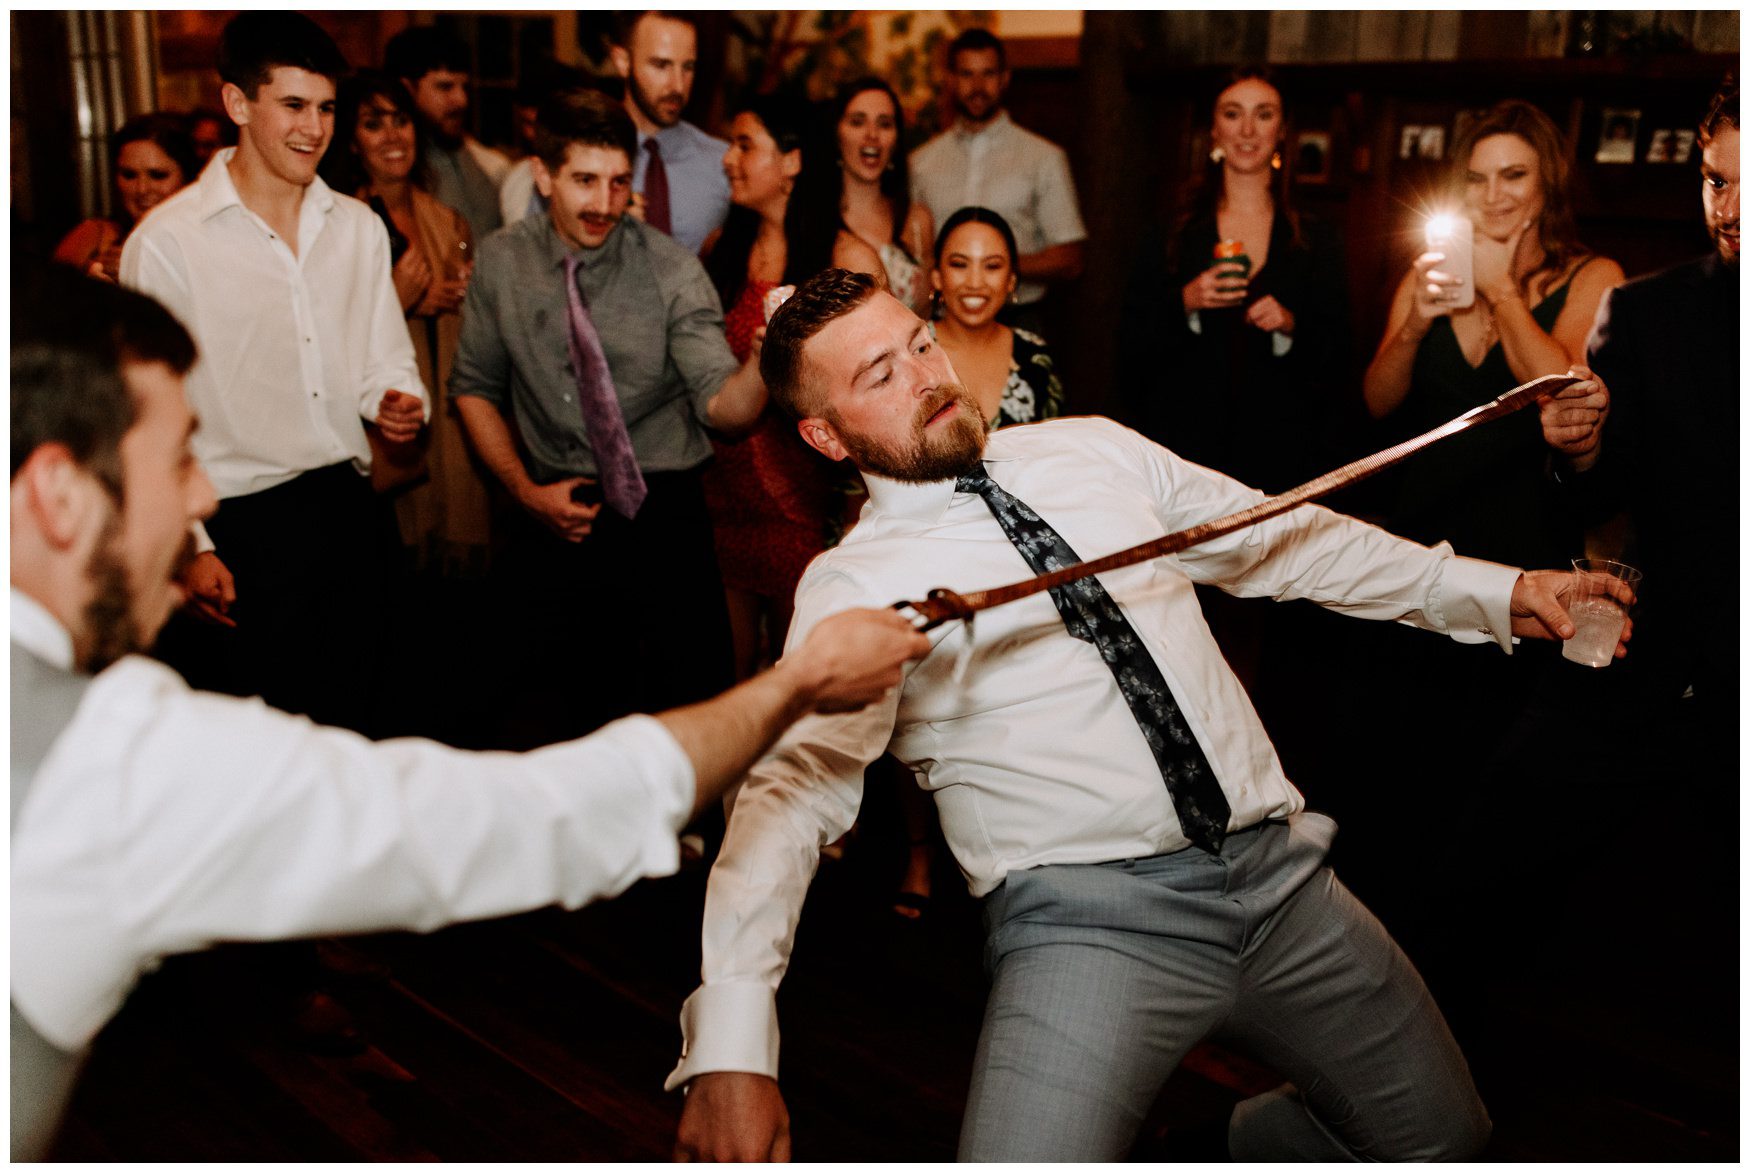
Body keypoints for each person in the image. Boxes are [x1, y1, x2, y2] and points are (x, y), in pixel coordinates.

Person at [667, 268, 1623, 1162]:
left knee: (1447, 1141)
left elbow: (1287, 539)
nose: (928, 376)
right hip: (1087, 927)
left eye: (920, 344)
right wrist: (733, 1041)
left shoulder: (1092, 446)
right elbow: (788, 797)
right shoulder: (851, 587)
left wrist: (1496, 593)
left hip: (1284, 883)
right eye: (881, 372)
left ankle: (1249, 1143)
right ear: (826, 437)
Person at [8, 262, 931, 1162]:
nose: (203, 495)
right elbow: (529, 820)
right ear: (56, 492)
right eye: (178, 461)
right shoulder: (105, 762)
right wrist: (792, 684)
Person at [120, 12, 428, 736]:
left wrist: (398, 402)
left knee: (369, 738)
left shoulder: (355, 226)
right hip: (238, 529)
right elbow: (141, 420)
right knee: (258, 764)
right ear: (237, 104)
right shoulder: (166, 244)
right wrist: (192, 546)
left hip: (352, 514)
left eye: (325, 108)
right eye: (293, 105)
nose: (314, 128)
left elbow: (386, 358)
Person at [450, 88, 767, 745]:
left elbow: (723, 407)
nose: (603, 203)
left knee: (694, 704)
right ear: (544, 176)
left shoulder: (673, 270)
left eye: (619, 182)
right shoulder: (503, 262)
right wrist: (523, 490)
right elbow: (475, 386)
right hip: (553, 503)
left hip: (663, 505)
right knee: (528, 707)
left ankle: (698, 842)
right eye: (584, 181)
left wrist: (761, 363)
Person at [1362, 98, 1624, 571]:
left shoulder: (1593, 276)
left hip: (1527, 537)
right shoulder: (1431, 274)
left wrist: (1501, 289)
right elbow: (1377, 402)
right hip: (1422, 531)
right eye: (1477, 178)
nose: (1492, 195)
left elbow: (1561, 395)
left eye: (1513, 175)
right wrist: (1415, 326)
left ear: (1549, 180)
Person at [702, 95, 884, 681]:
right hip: (720, 493)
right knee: (725, 684)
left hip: (802, 500)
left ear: (793, 162)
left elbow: (872, 392)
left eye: (745, 144)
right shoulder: (720, 251)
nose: (728, 158)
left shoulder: (846, 259)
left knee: (797, 683)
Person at [1117, 68, 1349, 495]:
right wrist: (1184, 301)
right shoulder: (1172, 232)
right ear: (1214, 129)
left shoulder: (1316, 237)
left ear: (1281, 130)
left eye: (1263, 115)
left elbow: (1342, 355)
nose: (1247, 130)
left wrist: (1291, 325)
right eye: (1232, 113)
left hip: (1281, 449)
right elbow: (1129, 344)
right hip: (1184, 449)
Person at [321, 71, 492, 579]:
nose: (394, 136)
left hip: (452, 411)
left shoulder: (447, 219)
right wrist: (399, 301)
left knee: (458, 580)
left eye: (401, 121)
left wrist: (470, 296)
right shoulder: (339, 224)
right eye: (374, 124)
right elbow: (325, 337)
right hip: (384, 421)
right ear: (352, 141)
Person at [909, 28, 1086, 334]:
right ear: (950, 80)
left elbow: (1070, 259)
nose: (977, 86)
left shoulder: (1043, 157)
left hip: (1018, 320)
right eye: (967, 74)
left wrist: (995, 264)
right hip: (939, 322)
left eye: (988, 74)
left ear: (1005, 78)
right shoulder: (921, 162)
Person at [929, 206, 1065, 429]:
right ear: (936, 277)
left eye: (992, 266)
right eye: (959, 264)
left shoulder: (1034, 355)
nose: (975, 283)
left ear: (1011, 281)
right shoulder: (911, 354)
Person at [608, 10, 731, 254]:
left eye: (688, 67)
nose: (677, 85)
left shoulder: (723, 163)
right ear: (623, 62)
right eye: (661, 65)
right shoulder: (580, 158)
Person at [383, 26, 508, 244]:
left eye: (463, 87)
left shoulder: (469, 155)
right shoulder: (395, 165)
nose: (461, 100)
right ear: (407, 89)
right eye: (445, 87)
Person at [823, 77, 934, 316]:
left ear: (896, 139)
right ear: (836, 133)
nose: (872, 134)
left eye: (884, 124)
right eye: (857, 122)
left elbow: (927, 312)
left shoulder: (916, 220)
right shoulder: (814, 220)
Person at [54, 114, 198, 282]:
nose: (142, 189)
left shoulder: (207, 239)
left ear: (188, 177)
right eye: (129, 175)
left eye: (158, 175)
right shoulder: (94, 237)